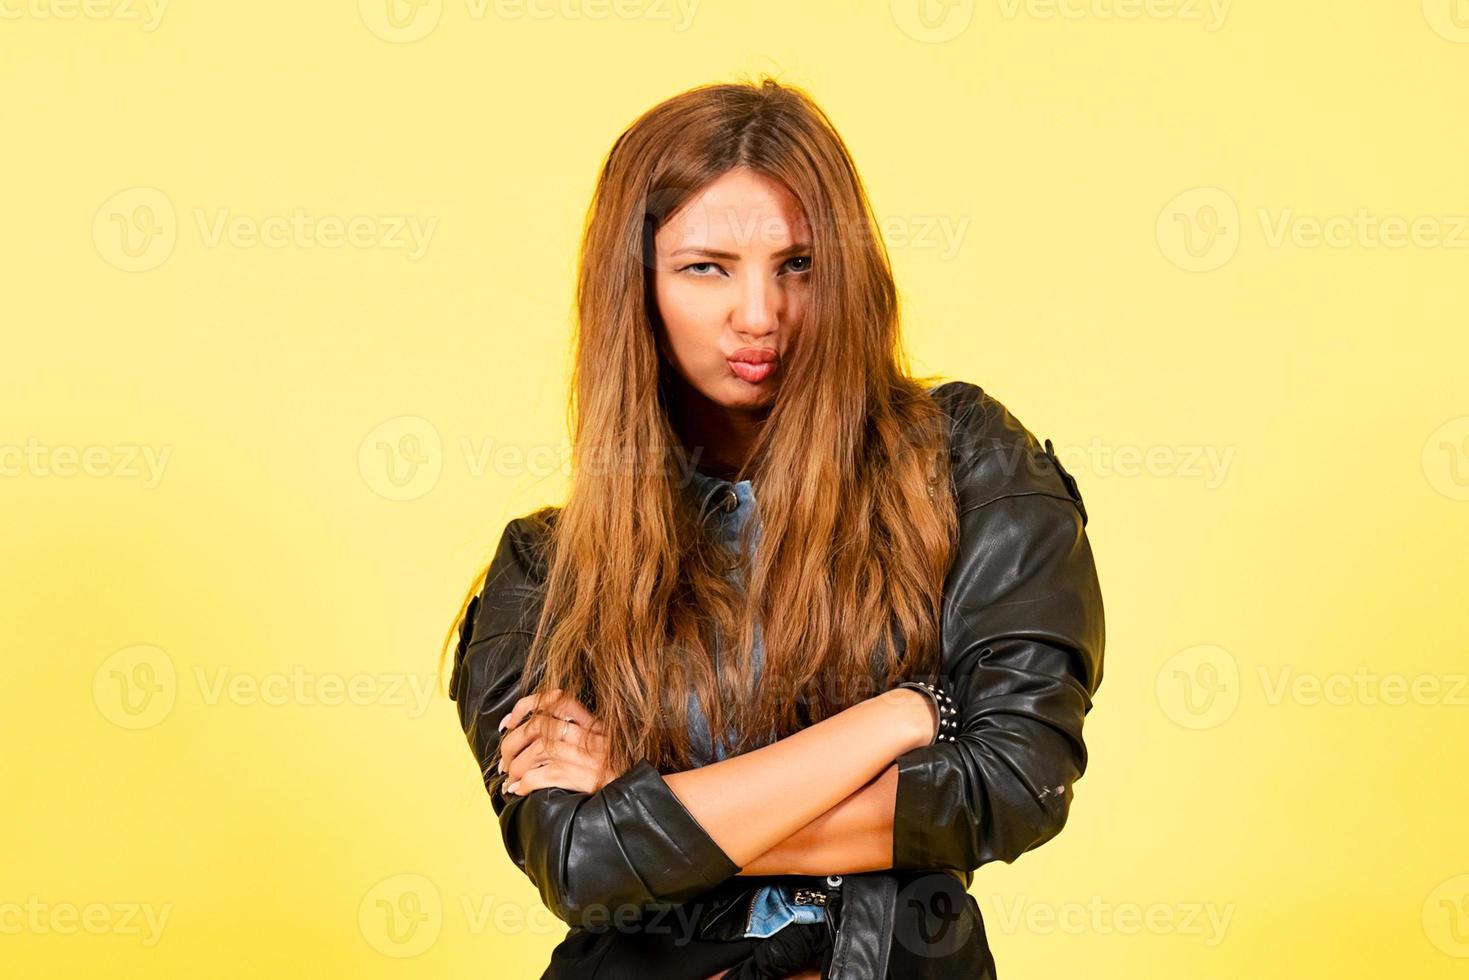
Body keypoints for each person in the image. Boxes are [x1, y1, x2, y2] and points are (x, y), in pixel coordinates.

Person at [443, 76, 1105, 979]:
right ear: (634, 287)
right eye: (704, 267)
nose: (759, 316)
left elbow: (1020, 779)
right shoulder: (545, 570)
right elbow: (580, 865)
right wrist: (904, 714)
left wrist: (653, 816)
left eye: (798, 265)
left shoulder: (965, 463)